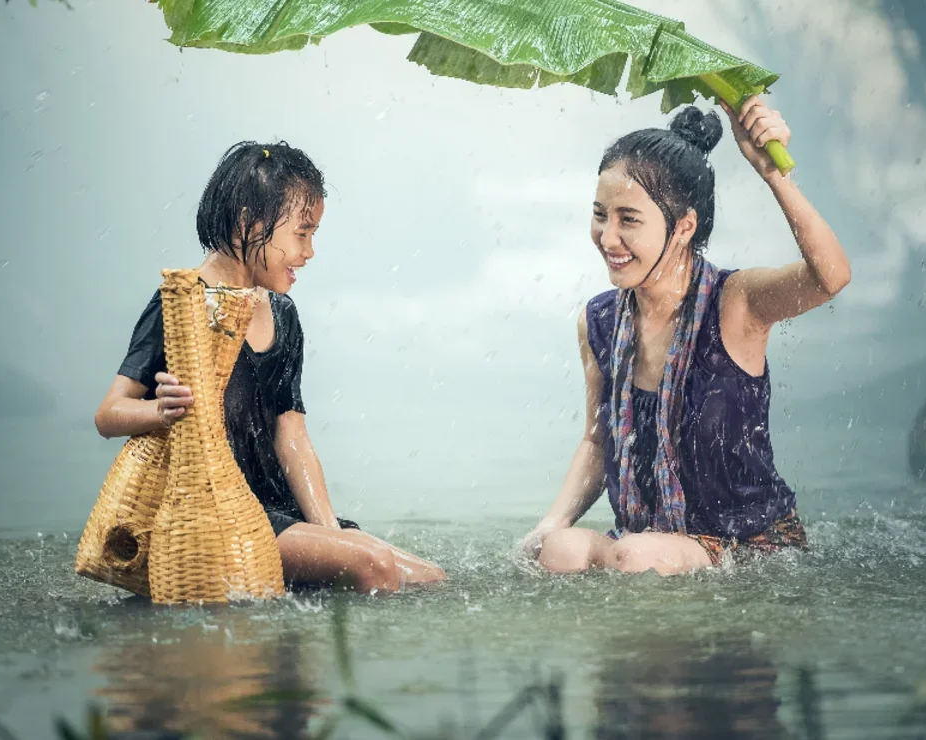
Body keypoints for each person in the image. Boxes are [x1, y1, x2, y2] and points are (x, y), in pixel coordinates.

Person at [94, 141, 446, 593]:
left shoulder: (282, 314)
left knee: (428, 579)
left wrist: (329, 532)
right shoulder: (183, 305)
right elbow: (108, 414)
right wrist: (159, 412)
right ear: (249, 222)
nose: (311, 251)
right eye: (302, 234)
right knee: (374, 565)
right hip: (222, 515)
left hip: (280, 510)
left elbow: (291, 436)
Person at [520, 98, 850, 576]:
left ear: (684, 227)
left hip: (749, 545)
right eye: (600, 214)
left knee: (635, 556)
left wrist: (772, 173)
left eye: (628, 219)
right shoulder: (600, 321)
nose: (607, 238)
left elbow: (830, 277)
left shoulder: (735, 305)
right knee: (561, 550)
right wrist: (550, 522)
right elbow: (597, 442)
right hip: (648, 543)